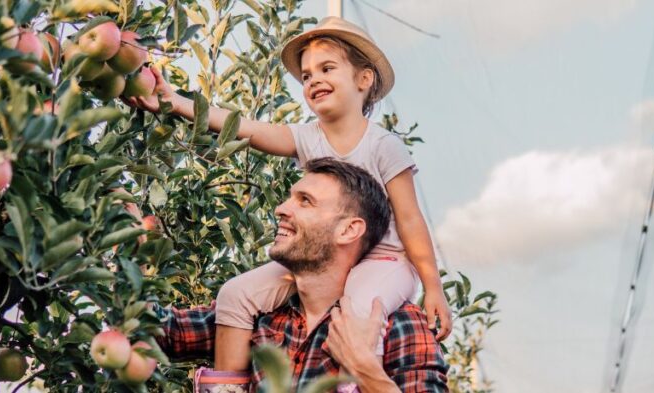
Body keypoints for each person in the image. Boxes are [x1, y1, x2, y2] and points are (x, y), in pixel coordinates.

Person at [125, 16, 452, 374]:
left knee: (359, 312)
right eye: (307, 75)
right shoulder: (308, 137)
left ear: (363, 78)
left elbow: (409, 218)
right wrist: (176, 102)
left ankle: (354, 383)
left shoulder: (383, 146)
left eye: (327, 68)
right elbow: (246, 129)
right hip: (328, 258)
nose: (314, 80)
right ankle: (226, 386)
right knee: (235, 294)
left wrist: (432, 286)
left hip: (385, 261)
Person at [155, 158, 448, 392]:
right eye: (289, 198)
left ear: (348, 230)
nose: (281, 209)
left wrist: (366, 371)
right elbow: (161, 329)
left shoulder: (396, 324)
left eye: (305, 201)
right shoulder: (260, 315)